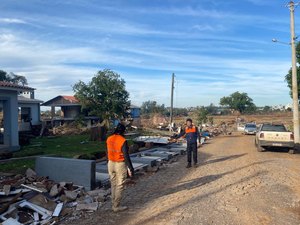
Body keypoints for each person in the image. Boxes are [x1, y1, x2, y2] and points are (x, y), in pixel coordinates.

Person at [106, 123, 134, 212]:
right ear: (123, 131)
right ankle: (116, 206)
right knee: (120, 185)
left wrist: (108, 161)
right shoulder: (122, 140)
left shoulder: (109, 138)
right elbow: (126, 155)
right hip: (119, 164)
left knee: (113, 184)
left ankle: (113, 202)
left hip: (110, 163)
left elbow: (107, 152)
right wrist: (131, 168)